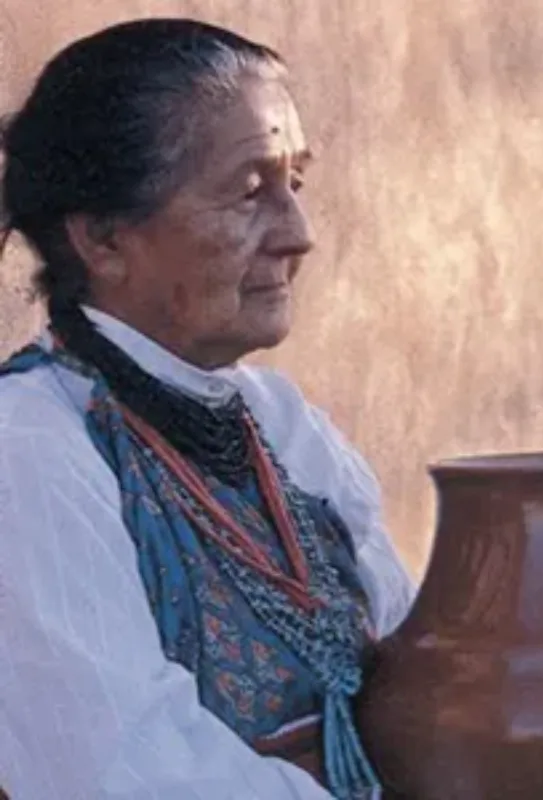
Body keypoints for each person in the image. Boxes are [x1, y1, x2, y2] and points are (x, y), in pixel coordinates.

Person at [0, 18, 414, 799]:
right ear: (103, 238)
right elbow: (120, 775)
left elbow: (417, 663)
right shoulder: (29, 452)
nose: (299, 234)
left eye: (296, 183)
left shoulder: (281, 423)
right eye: (249, 193)